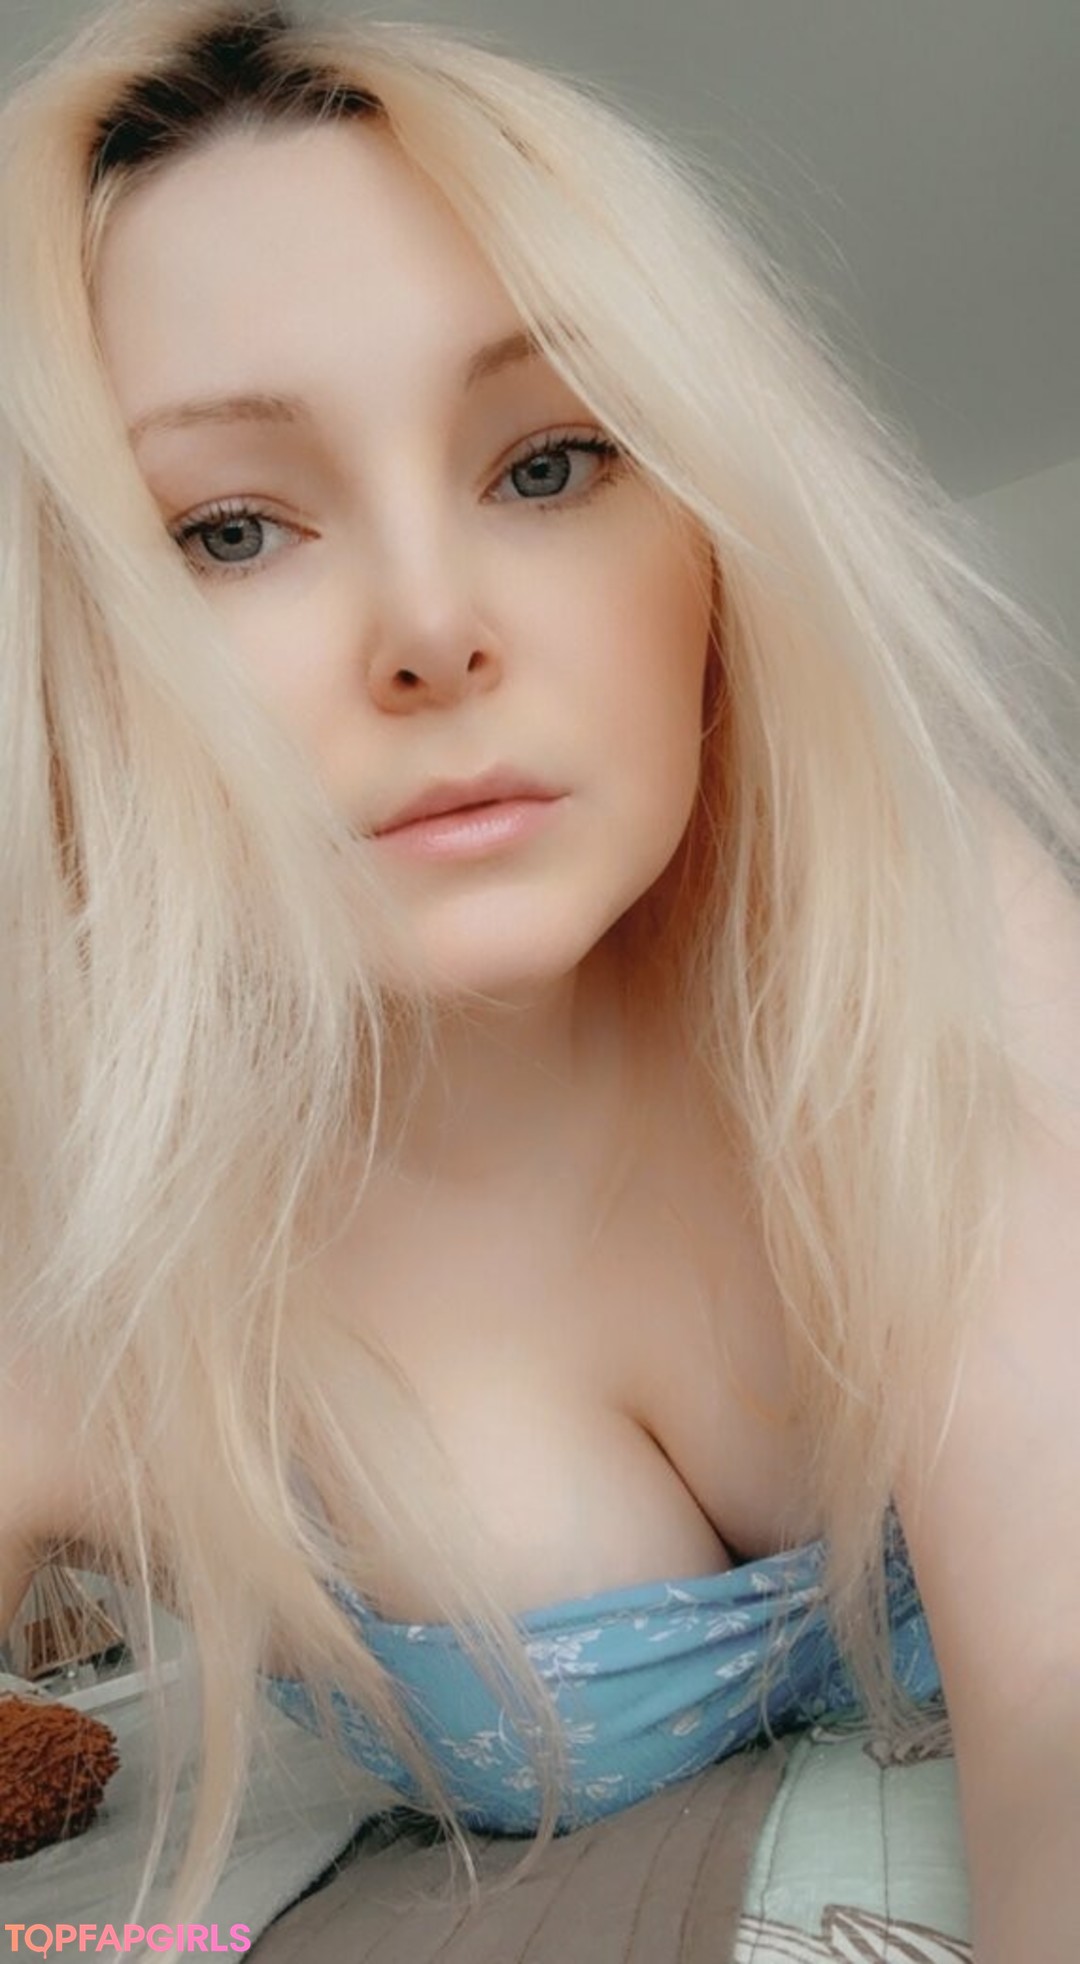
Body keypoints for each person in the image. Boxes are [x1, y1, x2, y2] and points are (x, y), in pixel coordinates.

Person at [0, 0, 1077, 1953]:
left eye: (551, 461)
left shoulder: (925, 933)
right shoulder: (74, 1285)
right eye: (229, 528)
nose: (433, 627)